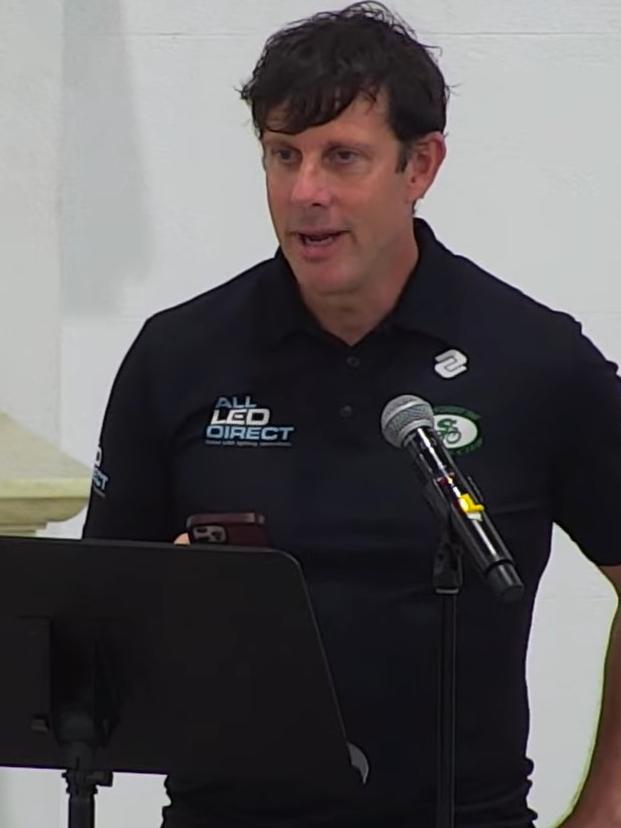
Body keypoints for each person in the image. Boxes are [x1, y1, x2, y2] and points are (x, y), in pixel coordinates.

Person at [82, 3, 621, 827]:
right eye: (282, 155)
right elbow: (93, 625)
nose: (306, 193)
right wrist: (164, 614)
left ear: (421, 165)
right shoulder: (178, 356)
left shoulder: (534, 361)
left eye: (342, 158)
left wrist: (603, 811)